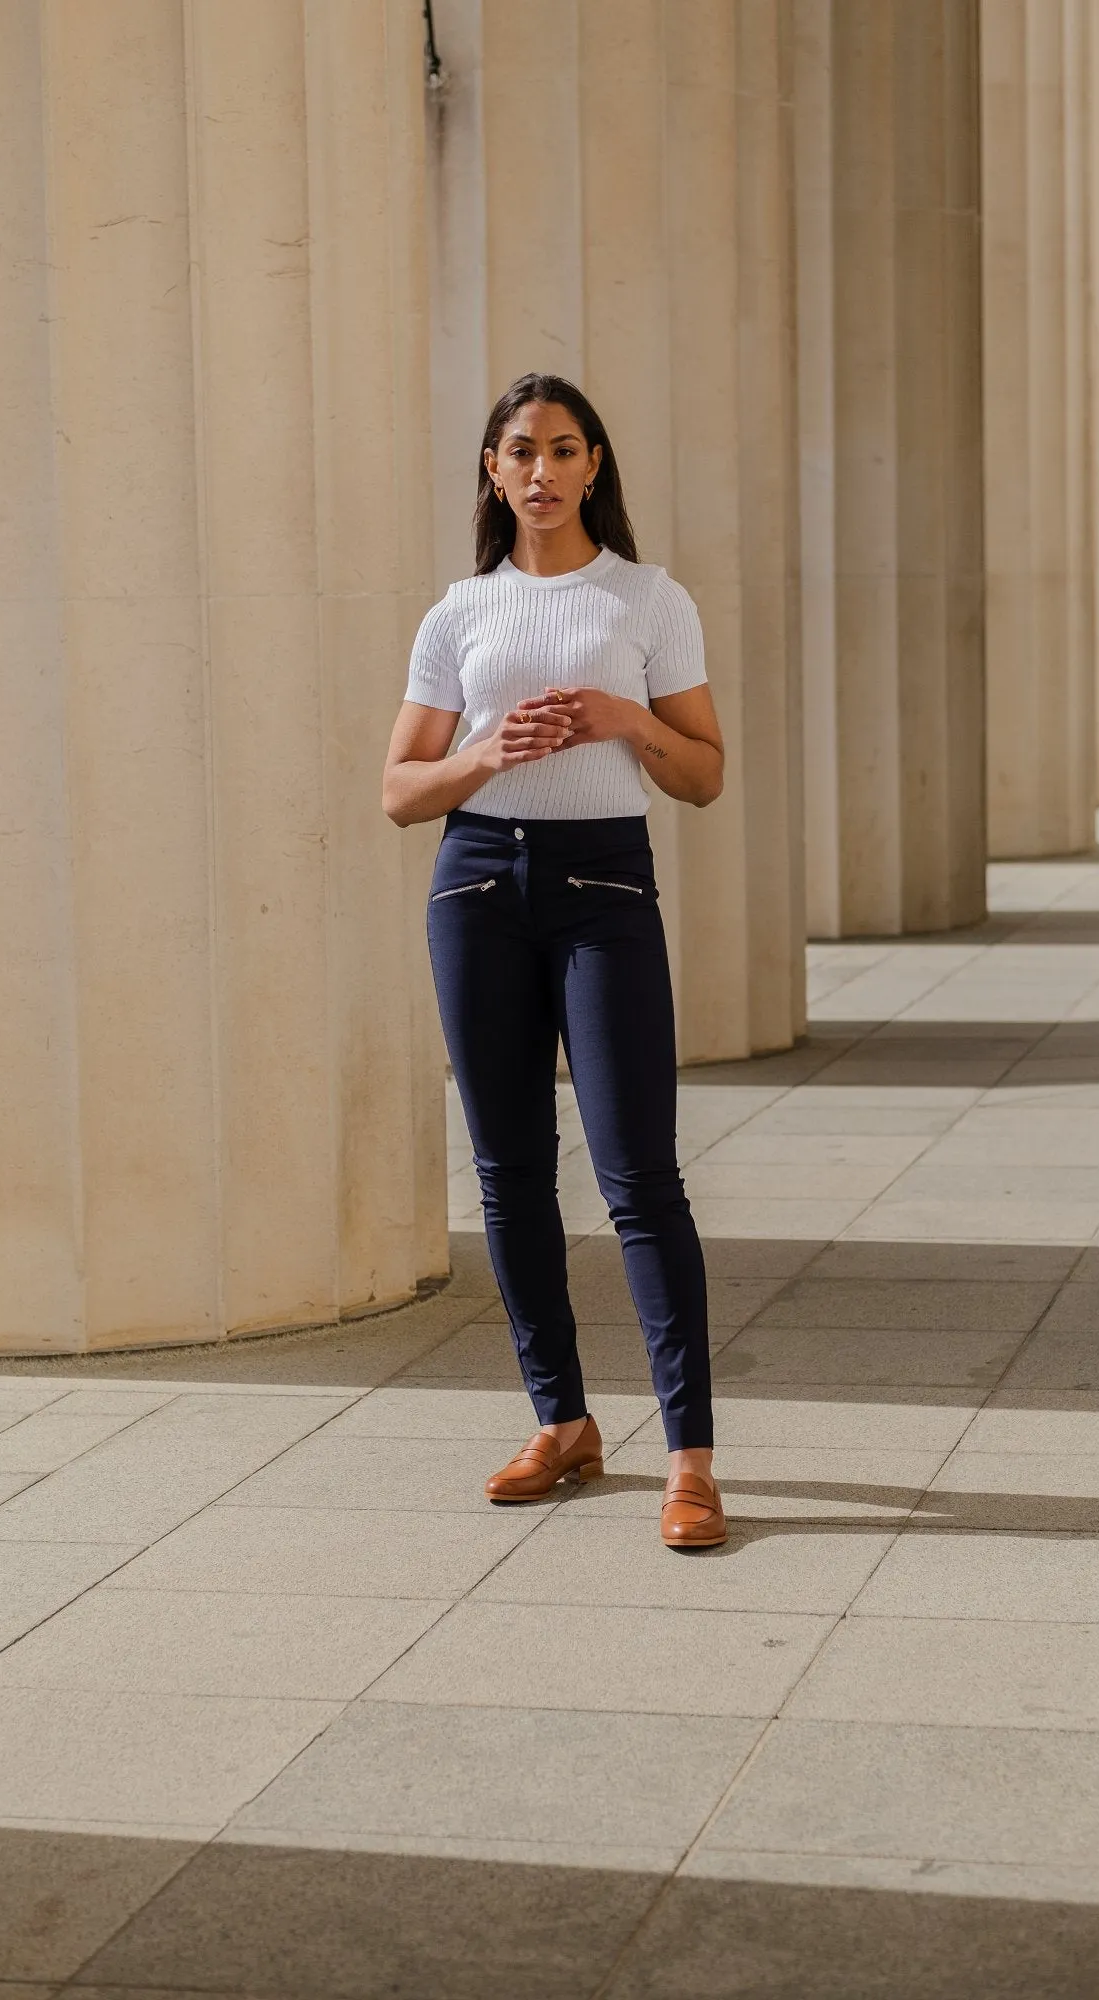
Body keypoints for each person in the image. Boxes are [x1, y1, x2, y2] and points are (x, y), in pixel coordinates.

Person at [382, 372, 727, 1549]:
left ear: (593, 466)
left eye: (562, 449)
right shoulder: (456, 612)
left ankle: (690, 1455)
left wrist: (625, 719)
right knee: (508, 1171)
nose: (541, 469)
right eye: (519, 450)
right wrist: (482, 756)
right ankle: (562, 1420)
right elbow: (396, 792)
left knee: (639, 1175)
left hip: (603, 888)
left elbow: (702, 772)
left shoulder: (647, 597)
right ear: (492, 467)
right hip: (475, 886)